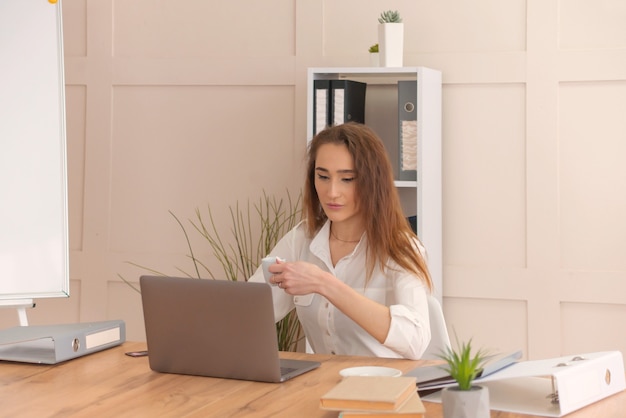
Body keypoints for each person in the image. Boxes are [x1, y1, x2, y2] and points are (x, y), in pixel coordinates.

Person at [249, 122, 433, 360]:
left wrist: (325, 283)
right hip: (323, 387)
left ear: (372, 182)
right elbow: (250, 312)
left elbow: (415, 341)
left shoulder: (402, 248)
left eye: (347, 179)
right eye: (323, 176)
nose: (332, 192)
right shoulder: (301, 239)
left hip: (386, 389)